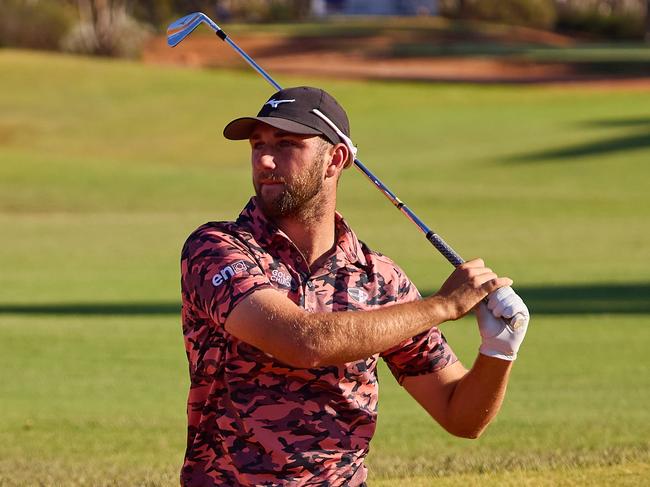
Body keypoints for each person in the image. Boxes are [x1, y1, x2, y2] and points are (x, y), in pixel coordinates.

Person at [180, 86, 530, 486]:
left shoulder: (379, 279)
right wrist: (442, 306)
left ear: (336, 158)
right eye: (257, 144)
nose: (265, 159)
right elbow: (301, 341)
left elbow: (460, 415)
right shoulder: (217, 248)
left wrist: (499, 350)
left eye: (287, 143)